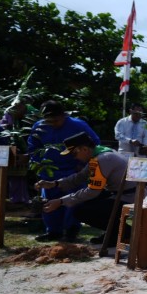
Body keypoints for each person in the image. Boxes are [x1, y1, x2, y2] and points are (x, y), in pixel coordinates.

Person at [34, 132, 135, 255]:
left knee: (80, 210)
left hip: (130, 197)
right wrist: (54, 183)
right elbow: (80, 177)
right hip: (120, 194)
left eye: (74, 153)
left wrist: (61, 201)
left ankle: (128, 233)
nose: (74, 157)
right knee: (85, 204)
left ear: (85, 149)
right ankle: (114, 234)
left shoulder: (102, 159)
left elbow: (92, 191)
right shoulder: (100, 153)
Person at [27, 100, 101, 242]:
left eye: (56, 121)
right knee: (48, 201)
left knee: (72, 202)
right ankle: (53, 231)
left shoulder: (78, 125)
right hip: (49, 171)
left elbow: (94, 144)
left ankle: (71, 230)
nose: (53, 124)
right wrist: (37, 164)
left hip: (72, 170)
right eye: (49, 121)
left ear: (64, 116)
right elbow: (33, 147)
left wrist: (83, 164)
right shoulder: (39, 127)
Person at [0, 102, 31, 205]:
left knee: (21, 176)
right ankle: (15, 199)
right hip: (9, 148)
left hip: (21, 149)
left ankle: (22, 198)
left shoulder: (25, 118)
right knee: (13, 176)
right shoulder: (8, 116)